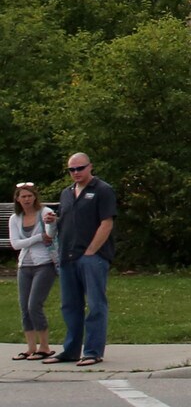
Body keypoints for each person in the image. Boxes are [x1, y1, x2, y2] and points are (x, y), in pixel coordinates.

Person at [52, 153, 115, 366]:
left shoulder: (102, 190)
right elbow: (66, 221)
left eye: (80, 168)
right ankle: (70, 350)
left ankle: (93, 351)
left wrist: (91, 251)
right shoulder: (66, 194)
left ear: (90, 167)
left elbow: (106, 223)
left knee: (95, 304)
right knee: (70, 305)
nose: (76, 173)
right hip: (67, 257)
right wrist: (54, 220)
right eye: (72, 170)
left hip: (91, 257)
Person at [9, 182, 58, 360]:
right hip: (25, 265)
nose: (27, 199)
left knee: (34, 305)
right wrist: (38, 237)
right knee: (24, 307)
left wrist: (51, 225)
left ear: (35, 197)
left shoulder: (44, 213)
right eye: (23, 196)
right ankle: (30, 347)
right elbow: (15, 244)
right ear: (18, 199)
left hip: (44, 263)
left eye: (30, 196)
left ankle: (44, 346)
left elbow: (50, 234)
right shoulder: (15, 218)